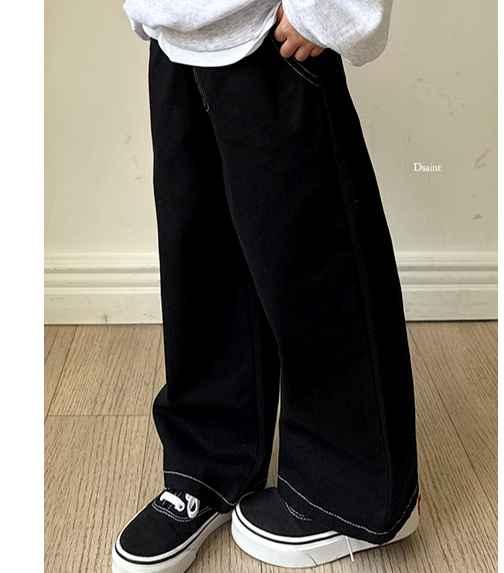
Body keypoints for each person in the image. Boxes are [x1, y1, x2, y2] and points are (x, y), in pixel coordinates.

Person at [112, 1, 420, 572]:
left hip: (270, 34)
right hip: (177, 30)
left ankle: (358, 495)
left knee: (316, 262)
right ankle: (209, 465)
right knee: (200, 261)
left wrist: (331, 7)